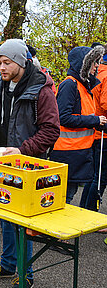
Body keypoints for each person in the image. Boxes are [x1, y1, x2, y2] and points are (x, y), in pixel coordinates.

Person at [0, 39, 60, 288]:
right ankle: (8, 263)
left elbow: (51, 131)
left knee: (21, 222)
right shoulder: (0, 84)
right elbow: (0, 118)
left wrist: (22, 150)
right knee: (3, 216)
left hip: (28, 164)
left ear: (21, 62)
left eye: (6, 62)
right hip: (1, 160)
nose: (1, 67)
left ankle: (26, 275)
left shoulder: (41, 89)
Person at [50, 45, 106, 204]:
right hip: (67, 152)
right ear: (84, 64)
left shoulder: (84, 86)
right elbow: (64, 117)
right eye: (94, 62)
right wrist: (95, 120)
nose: (97, 66)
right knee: (63, 198)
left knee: (67, 196)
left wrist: (98, 122)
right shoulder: (70, 84)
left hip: (78, 151)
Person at [80, 44, 107, 233]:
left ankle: (85, 212)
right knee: (99, 176)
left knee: (95, 175)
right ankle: (90, 216)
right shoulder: (105, 74)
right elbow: (105, 103)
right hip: (102, 130)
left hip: (95, 128)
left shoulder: (100, 72)